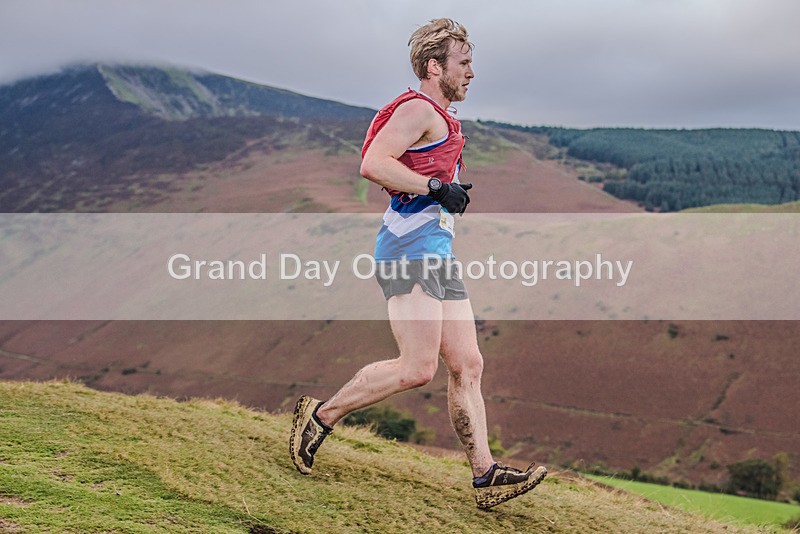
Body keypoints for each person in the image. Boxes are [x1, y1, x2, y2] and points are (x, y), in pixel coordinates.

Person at [290, 18, 546, 510]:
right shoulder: (417, 109)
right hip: (409, 250)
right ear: (434, 67)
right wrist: (436, 188)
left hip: (435, 253)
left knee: (468, 364)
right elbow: (373, 163)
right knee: (416, 368)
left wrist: (445, 193)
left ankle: (486, 475)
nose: (471, 72)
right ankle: (319, 417)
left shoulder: (442, 119)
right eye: (463, 63)